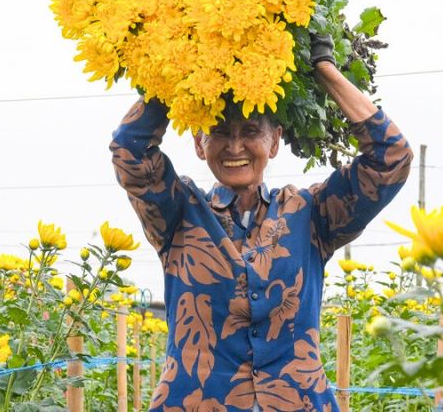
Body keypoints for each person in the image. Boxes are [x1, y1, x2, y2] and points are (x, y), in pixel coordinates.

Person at [110, 38, 413, 411]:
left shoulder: (312, 215)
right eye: (219, 131)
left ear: (274, 143)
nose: (235, 147)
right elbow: (130, 149)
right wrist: (181, 68)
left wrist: (322, 68)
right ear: (199, 144)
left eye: (251, 131)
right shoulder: (178, 214)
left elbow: (391, 158)